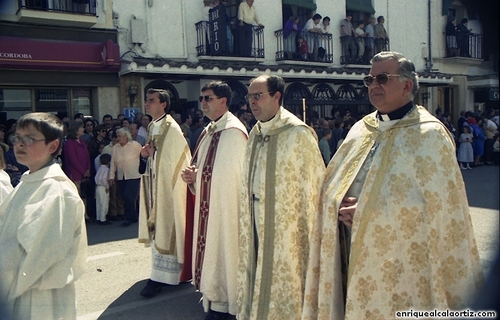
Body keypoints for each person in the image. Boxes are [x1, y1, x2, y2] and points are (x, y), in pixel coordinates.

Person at [302, 51, 483, 319]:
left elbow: (441, 211)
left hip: (399, 263)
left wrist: (367, 213)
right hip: (349, 247)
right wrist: (335, 202)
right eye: (369, 79)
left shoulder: (430, 135)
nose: (374, 85)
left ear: (407, 85)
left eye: (383, 78)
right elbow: (333, 182)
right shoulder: (361, 129)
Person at [237, 75, 324, 319]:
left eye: (258, 96)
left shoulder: (297, 133)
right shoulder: (254, 132)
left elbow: (314, 184)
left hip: (285, 225)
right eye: (250, 97)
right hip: (254, 217)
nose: (252, 102)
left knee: (283, 271)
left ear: (276, 96)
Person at [0, 112, 87, 320]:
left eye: (29, 139)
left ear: (53, 146)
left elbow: (40, 254)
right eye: (17, 138)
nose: (20, 144)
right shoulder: (27, 181)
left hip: (37, 295)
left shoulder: (57, 191)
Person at [181, 81, 248, 319]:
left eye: (208, 98)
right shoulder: (209, 130)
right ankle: (214, 300)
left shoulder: (233, 132)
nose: (203, 103)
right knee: (213, 253)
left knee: (226, 253)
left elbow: (231, 178)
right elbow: (206, 170)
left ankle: (229, 305)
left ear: (223, 101)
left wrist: (199, 177)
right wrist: (192, 177)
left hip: (226, 210)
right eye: (202, 98)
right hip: (210, 208)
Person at [138, 88, 192, 298]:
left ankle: (163, 277)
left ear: (163, 104)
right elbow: (154, 154)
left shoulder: (171, 128)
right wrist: (146, 155)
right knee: (159, 229)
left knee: (168, 227)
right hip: (156, 184)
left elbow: (177, 158)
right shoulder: (153, 125)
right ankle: (162, 273)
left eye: (151, 100)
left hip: (169, 187)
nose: (147, 104)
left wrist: (154, 154)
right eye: (146, 100)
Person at [109, 128, 142, 227]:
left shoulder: (135, 145)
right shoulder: (116, 147)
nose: (117, 138)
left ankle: (129, 217)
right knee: (124, 197)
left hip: (134, 175)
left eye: (119, 136)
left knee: (129, 197)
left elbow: (144, 156)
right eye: (117, 136)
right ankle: (133, 216)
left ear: (126, 136)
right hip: (121, 176)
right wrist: (111, 176)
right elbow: (113, 163)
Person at [95, 153, 112, 225]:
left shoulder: (99, 168)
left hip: (98, 187)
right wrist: (107, 186)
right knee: (104, 203)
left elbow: (96, 178)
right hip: (103, 187)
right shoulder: (107, 169)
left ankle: (98, 217)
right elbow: (104, 179)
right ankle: (103, 219)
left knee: (98, 203)